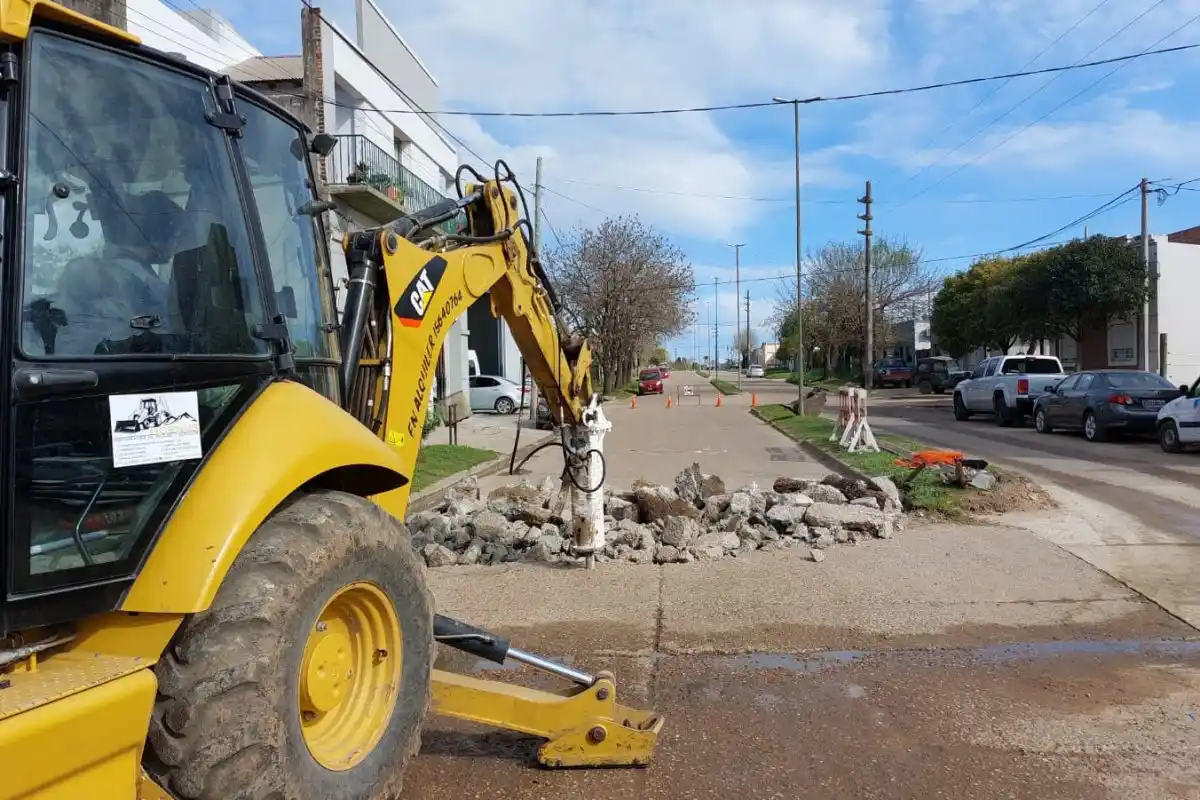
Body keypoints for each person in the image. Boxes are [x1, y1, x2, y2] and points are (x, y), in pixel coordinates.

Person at [54, 189, 186, 355]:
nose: (177, 243)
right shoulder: (153, 291)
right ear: (157, 237)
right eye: (176, 235)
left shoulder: (79, 272)